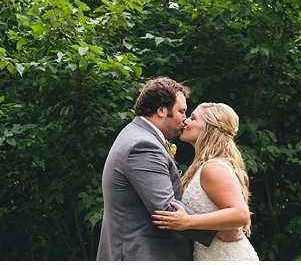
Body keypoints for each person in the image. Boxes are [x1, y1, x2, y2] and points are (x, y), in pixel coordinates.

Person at [97, 76, 216, 260]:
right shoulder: (143, 145)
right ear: (161, 110)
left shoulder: (137, 135)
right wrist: (217, 231)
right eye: (181, 112)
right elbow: (166, 210)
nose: (185, 120)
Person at [151, 103, 258, 261]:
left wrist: (188, 221)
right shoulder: (204, 166)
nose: (185, 121)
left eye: (193, 118)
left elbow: (240, 214)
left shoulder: (212, 167)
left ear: (210, 127)